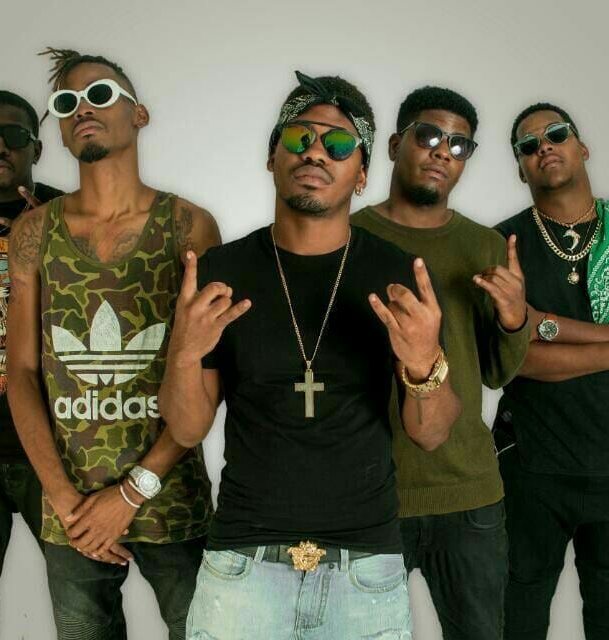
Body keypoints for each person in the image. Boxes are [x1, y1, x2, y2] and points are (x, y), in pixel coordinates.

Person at [159, 70, 461, 640]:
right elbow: (187, 427)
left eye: (339, 143)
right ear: (272, 156)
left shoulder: (398, 277)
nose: (316, 152)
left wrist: (424, 364)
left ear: (363, 173)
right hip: (242, 565)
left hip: (365, 568)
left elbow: (432, 432)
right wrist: (183, 353)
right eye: (299, 137)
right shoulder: (221, 272)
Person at [6, 48, 219, 640]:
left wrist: (131, 492)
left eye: (99, 94)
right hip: (71, 516)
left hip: (171, 502)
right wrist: (62, 498)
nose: (82, 109)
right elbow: (20, 372)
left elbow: (211, 373)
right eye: (66, 103)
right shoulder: (33, 232)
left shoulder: (188, 226)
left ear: (139, 114)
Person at [351, 86, 530, 640]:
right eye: (429, 135)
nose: (442, 152)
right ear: (395, 145)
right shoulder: (348, 237)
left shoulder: (485, 246)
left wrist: (515, 319)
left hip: (468, 494)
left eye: (459, 144)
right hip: (368, 494)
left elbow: (498, 372)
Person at [495, 102, 609, 640]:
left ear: (581, 147)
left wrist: (544, 323)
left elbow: (531, 336)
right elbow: (515, 358)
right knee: (517, 618)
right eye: (528, 144)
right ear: (521, 169)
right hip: (530, 468)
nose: (544, 146)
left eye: (556, 134)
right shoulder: (501, 246)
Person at [0, 89, 62, 640]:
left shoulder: (69, 218)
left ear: (37, 148)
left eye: (14, 136)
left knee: (83, 598)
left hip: (54, 446)